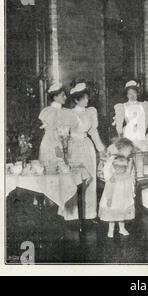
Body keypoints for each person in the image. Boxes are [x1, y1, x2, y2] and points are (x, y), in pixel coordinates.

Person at [58, 82, 106, 220]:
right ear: (76, 100)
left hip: (88, 147)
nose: (87, 100)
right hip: (74, 147)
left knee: (90, 179)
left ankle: (89, 213)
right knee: (75, 179)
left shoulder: (91, 112)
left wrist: (101, 149)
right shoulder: (69, 114)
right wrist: (64, 153)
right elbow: (63, 135)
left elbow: (93, 131)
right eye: (83, 98)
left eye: (87, 98)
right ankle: (72, 214)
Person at [99, 138, 135, 238]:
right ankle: (111, 230)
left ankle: (122, 228)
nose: (130, 152)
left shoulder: (128, 160)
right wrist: (110, 178)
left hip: (124, 190)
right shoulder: (113, 159)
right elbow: (106, 169)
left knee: (122, 209)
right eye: (129, 150)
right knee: (113, 210)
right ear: (121, 149)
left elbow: (130, 174)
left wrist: (132, 189)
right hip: (114, 189)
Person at [38, 83, 71, 173]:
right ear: (55, 97)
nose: (65, 97)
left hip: (61, 142)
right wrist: (56, 147)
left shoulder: (63, 111)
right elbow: (49, 131)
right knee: (52, 170)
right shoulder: (51, 111)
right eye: (63, 95)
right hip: (51, 144)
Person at [114, 80, 146, 149]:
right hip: (129, 133)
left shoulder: (143, 105)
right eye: (129, 93)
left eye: (134, 93)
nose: (132, 95)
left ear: (137, 93)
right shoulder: (122, 106)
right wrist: (121, 137)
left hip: (141, 133)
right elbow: (119, 124)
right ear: (127, 95)